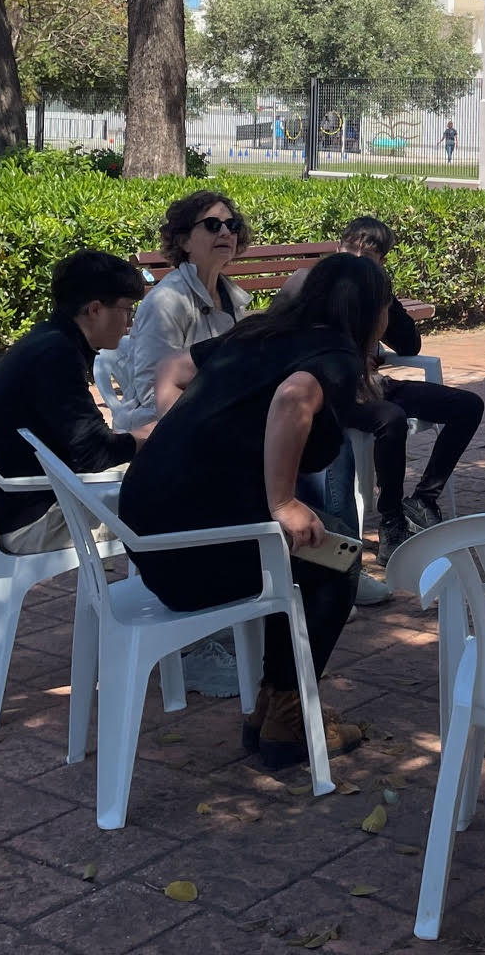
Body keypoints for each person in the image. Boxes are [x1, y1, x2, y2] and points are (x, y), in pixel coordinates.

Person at [120, 252, 385, 770]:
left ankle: (273, 704)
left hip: (147, 534)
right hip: (190, 562)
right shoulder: (334, 354)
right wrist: (282, 502)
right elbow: (293, 397)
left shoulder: (257, 334)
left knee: (309, 554)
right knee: (339, 557)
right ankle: (288, 717)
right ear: (368, 310)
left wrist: (188, 438)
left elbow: (172, 368)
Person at [329, 214, 485, 558]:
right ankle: (391, 519)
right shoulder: (322, 286)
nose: (357, 259)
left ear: (381, 262)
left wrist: (384, 300)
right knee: (391, 418)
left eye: (369, 255)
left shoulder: (377, 290)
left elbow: (409, 345)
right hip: (336, 392)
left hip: (376, 385)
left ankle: (423, 499)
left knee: (468, 406)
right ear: (339, 248)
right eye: (351, 249)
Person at [0, 250, 151, 553]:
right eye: (127, 309)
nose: (129, 322)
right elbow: (95, 455)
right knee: (180, 496)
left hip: (31, 504)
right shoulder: (56, 355)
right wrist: (149, 436)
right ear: (95, 309)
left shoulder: (48, 340)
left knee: (164, 479)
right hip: (37, 522)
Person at [109, 191, 253, 431]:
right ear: (184, 241)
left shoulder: (231, 297)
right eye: (212, 224)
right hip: (164, 430)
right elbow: (152, 393)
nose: (226, 232)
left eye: (233, 225)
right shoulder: (166, 302)